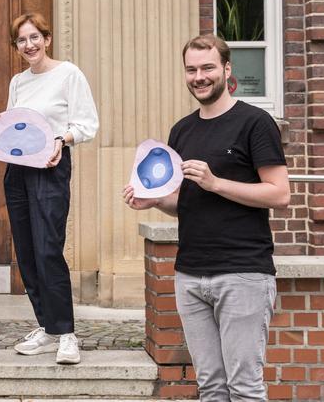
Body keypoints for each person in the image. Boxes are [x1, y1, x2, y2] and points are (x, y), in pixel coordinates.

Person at [123, 34, 289, 401]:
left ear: (227, 69)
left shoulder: (255, 123)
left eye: (207, 67)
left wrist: (216, 183)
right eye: (191, 69)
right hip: (190, 275)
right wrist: (153, 202)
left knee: (244, 386)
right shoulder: (182, 131)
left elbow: (279, 194)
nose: (199, 76)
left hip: (243, 273)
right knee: (211, 386)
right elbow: (183, 203)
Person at [0, 12, 99, 364]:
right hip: (18, 170)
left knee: (48, 248)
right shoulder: (18, 82)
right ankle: (47, 327)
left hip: (50, 167)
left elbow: (86, 124)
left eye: (35, 37)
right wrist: (1, 123)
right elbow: (17, 127)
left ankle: (66, 333)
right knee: (26, 251)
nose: (29, 45)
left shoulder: (69, 74)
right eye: (22, 40)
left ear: (47, 39)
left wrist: (60, 139)